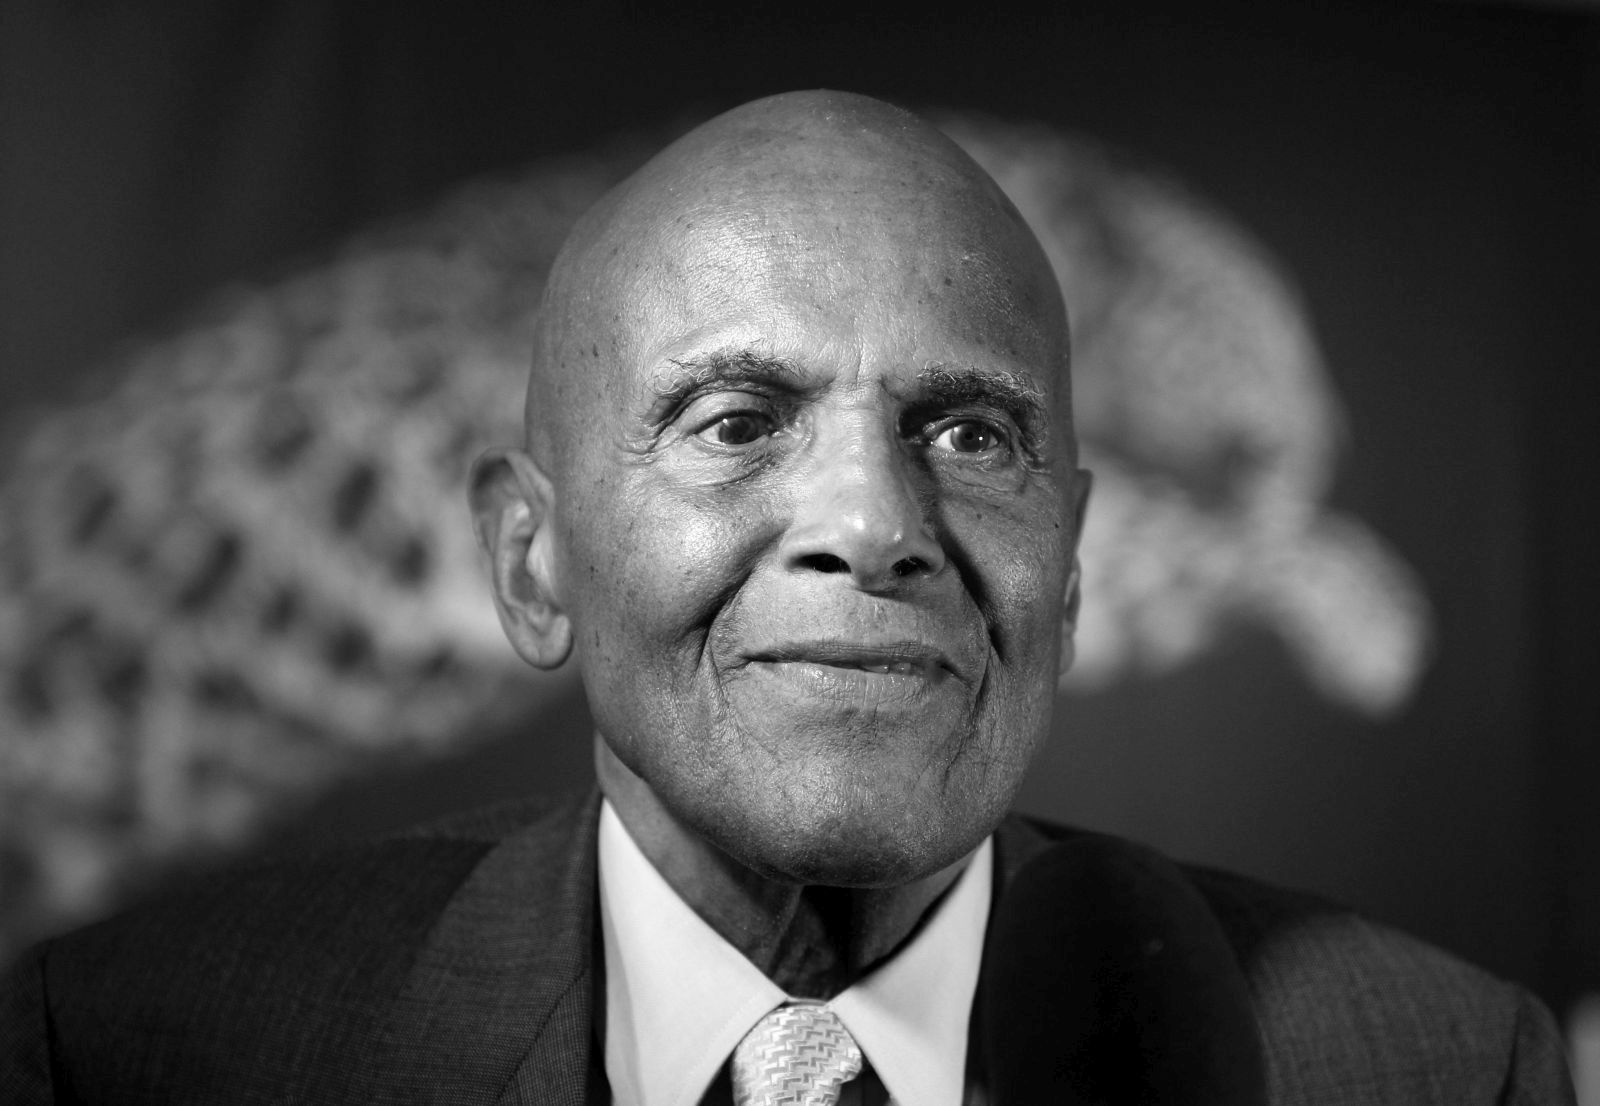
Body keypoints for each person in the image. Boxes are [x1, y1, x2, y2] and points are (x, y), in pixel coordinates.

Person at [0, 90, 1574, 1105]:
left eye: (970, 434)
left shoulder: (1438, 1066)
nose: (872, 526)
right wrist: (1270, 564)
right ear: (528, 558)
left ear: (1072, 564)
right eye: (740, 422)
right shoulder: (139, 1046)